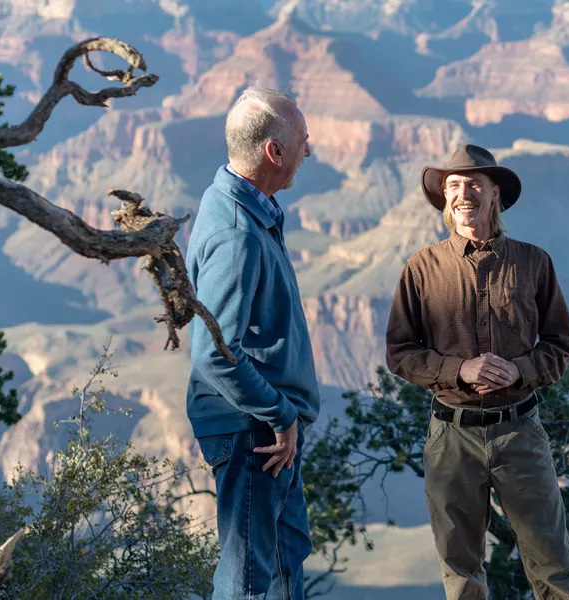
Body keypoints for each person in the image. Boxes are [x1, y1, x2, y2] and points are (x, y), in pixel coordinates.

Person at [385, 144, 569, 600]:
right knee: (461, 573)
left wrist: (518, 371)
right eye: (453, 185)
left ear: (495, 193)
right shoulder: (421, 268)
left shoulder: (534, 262)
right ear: (444, 198)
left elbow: (560, 345)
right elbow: (400, 353)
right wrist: (461, 369)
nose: (463, 193)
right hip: (450, 436)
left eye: (474, 183)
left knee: (554, 563)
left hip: (520, 431)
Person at [186, 84, 318, 599]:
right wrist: (280, 414)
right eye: (302, 140)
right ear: (274, 151)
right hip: (253, 431)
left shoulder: (243, 205)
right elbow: (215, 352)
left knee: (285, 560)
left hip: (264, 427)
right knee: (247, 578)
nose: (309, 150)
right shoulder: (238, 230)